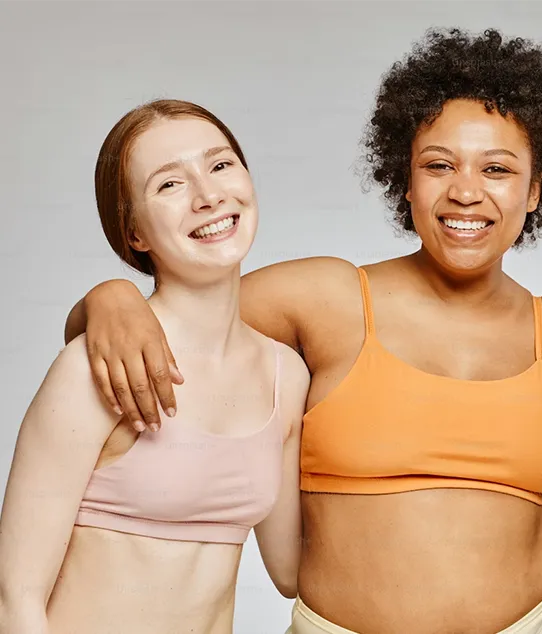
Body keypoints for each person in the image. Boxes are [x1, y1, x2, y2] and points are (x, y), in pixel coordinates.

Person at [62, 31, 542, 634]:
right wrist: (105, 297)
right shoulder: (327, 298)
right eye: (438, 166)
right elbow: (154, 329)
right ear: (402, 181)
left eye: (498, 170)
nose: (465, 193)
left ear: (537, 188)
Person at [0, 100, 310, 634]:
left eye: (220, 165)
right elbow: (15, 599)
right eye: (169, 184)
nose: (208, 195)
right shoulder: (95, 369)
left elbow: (292, 572)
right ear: (135, 233)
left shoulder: (286, 375)